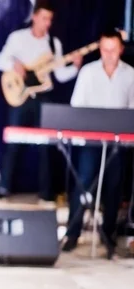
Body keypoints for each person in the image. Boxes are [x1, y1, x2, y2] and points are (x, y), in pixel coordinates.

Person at [0, 0, 82, 202]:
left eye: (50, 19)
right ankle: (4, 187)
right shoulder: (17, 38)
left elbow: (59, 75)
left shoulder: (53, 44)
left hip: (44, 97)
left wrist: (75, 68)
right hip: (21, 96)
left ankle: (46, 192)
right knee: (14, 143)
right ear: (34, 17)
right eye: (44, 18)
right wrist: (14, 64)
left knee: (46, 146)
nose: (47, 23)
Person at [62, 29, 134, 258]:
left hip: (117, 142)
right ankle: (72, 234)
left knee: (113, 188)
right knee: (83, 185)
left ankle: (108, 235)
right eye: (105, 49)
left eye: (113, 50)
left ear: (121, 49)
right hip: (90, 140)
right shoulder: (88, 72)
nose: (109, 54)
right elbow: (76, 104)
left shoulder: (131, 74)